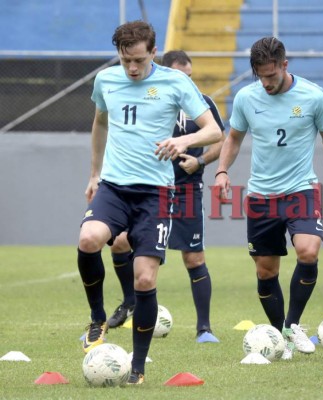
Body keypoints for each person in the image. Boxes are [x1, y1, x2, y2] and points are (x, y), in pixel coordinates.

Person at [77, 20, 222, 385]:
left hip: (156, 193)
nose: (132, 68)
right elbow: (100, 122)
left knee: (144, 279)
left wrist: (184, 143)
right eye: (126, 60)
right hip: (113, 186)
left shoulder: (176, 82)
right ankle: (97, 317)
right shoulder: (106, 81)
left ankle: (137, 369)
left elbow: (214, 130)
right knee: (88, 239)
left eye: (139, 60)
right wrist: (94, 174)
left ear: (154, 52)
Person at [214, 37, 323, 359]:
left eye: (271, 75)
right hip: (261, 196)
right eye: (261, 76)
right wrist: (221, 171)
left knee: (308, 251)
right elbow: (233, 137)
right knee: (265, 272)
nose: (267, 83)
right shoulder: (246, 98)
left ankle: (292, 324)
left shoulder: (313, 96)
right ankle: (282, 339)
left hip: (301, 190)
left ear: (285, 65)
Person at [107, 50, 226, 344]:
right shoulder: (148, 98)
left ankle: (204, 328)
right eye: (180, 76)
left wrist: (199, 162)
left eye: (189, 76)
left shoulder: (201, 104)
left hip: (186, 190)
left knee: (194, 256)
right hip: (149, 187)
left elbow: (220, 139)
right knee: (120, 243)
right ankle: (129, 301)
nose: (186, 82)